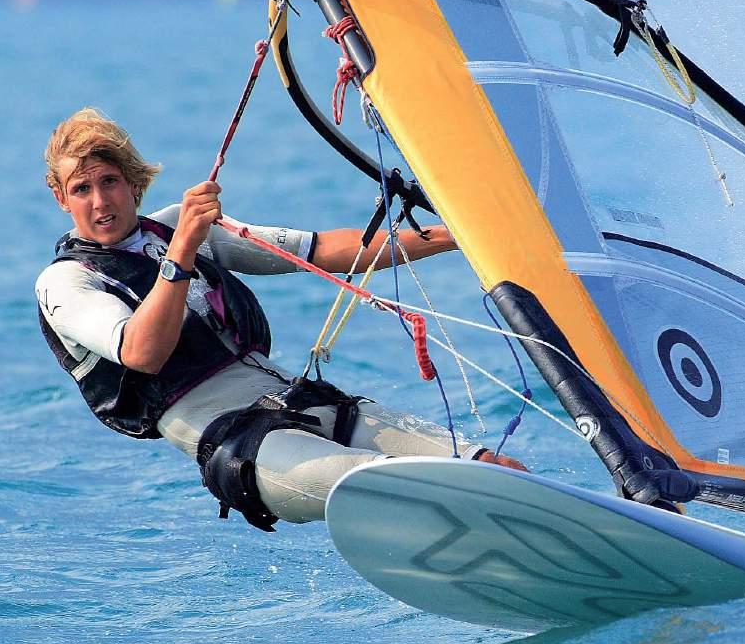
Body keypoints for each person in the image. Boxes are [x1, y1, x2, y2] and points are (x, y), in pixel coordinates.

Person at [37, 107, 525, 531]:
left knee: (490, 468)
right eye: (82, 188)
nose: (100, 201)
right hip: (239, 443)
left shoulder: (173, 227)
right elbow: (143, 352)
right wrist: (182, 249)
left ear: (132, 183)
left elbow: (324, 250)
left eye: (110, 182)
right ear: (62, 197)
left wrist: (462, 234)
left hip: (298, 399)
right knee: (400, 484)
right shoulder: (65, 282)